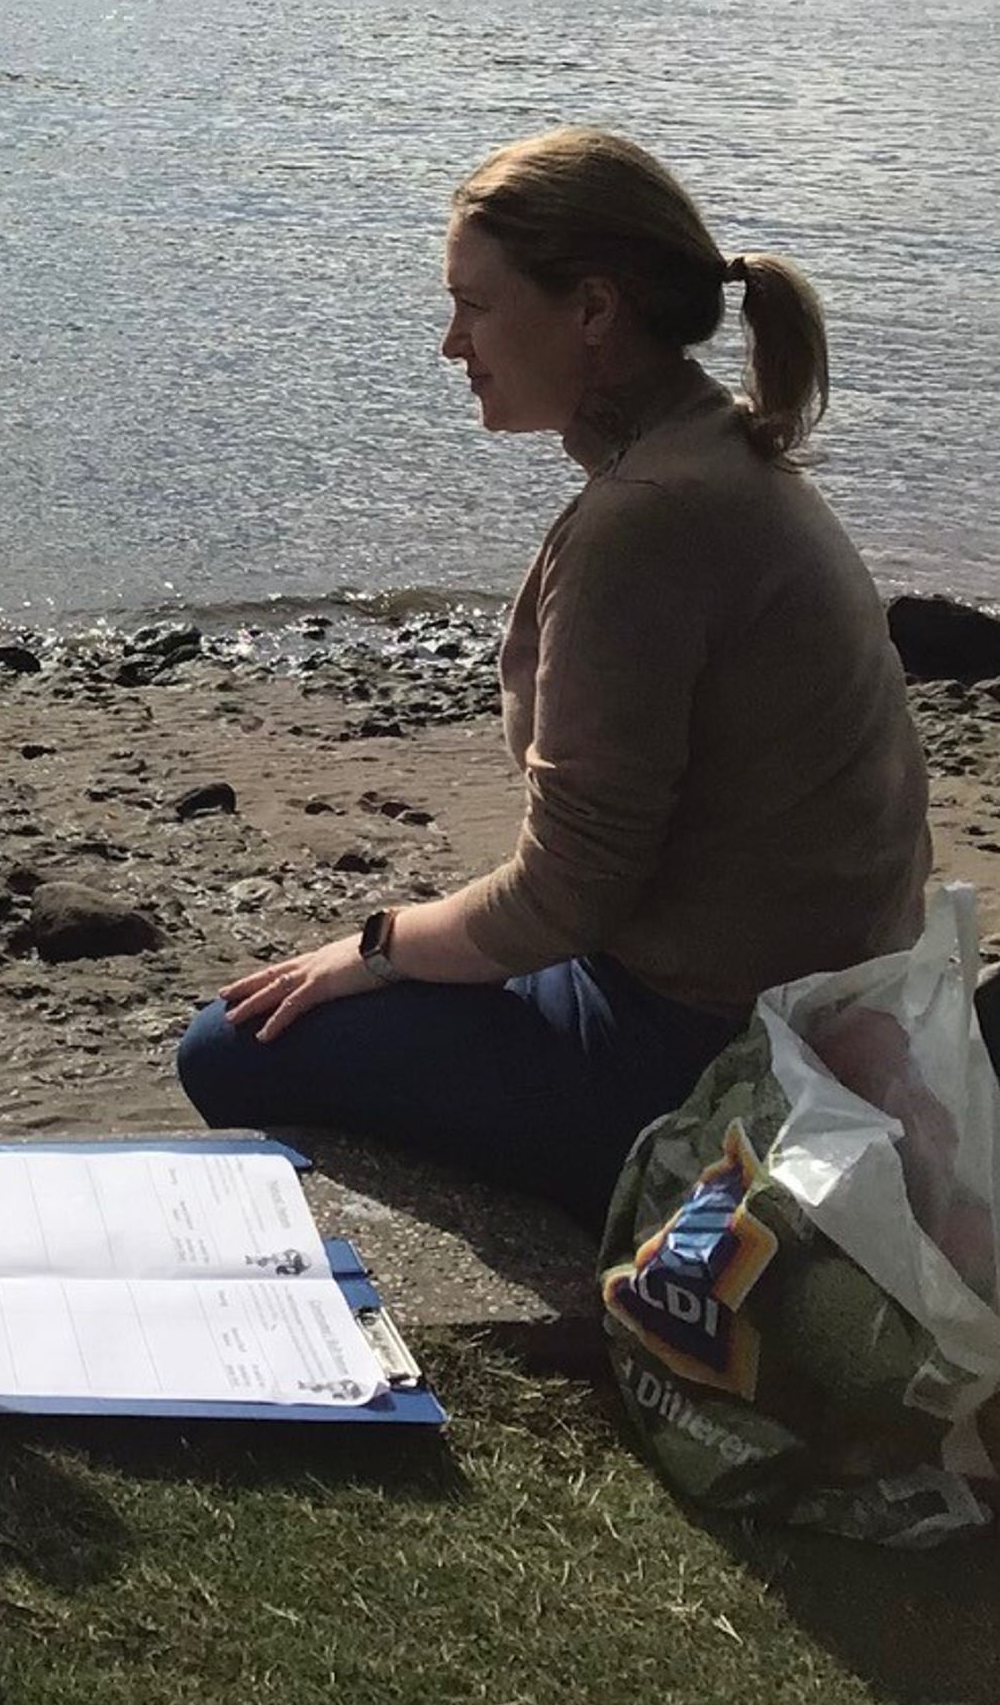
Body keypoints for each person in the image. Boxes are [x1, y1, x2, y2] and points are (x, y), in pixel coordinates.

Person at [176, 128, 932, 1226]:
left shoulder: (644, 522)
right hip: (809, 1006)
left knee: (231, 1045)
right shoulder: (718, 454)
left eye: (474, 306)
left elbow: (571, 891)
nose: (451, 343)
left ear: (592, 310)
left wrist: (374, 947)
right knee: (349, 989)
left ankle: (596, 1214)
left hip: (709, 1058)